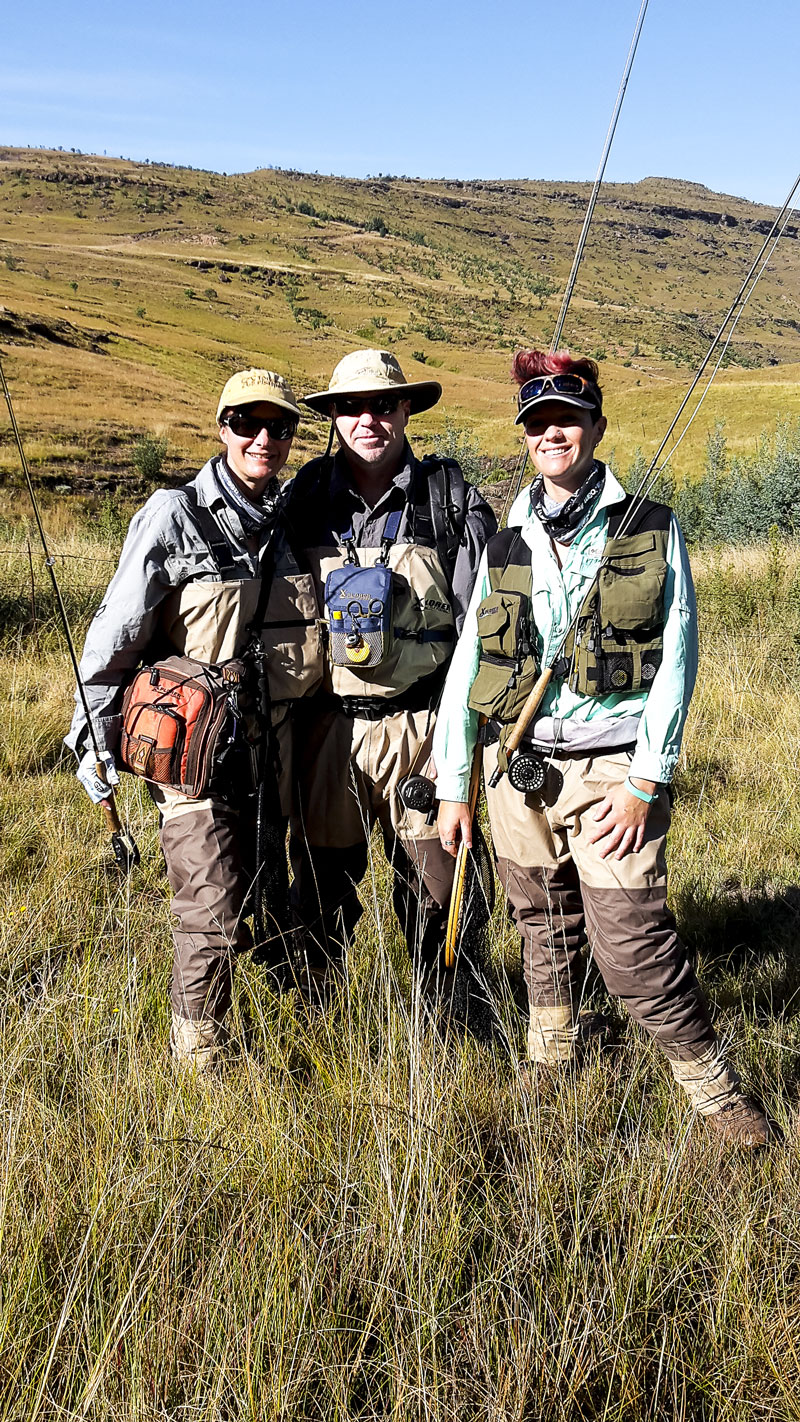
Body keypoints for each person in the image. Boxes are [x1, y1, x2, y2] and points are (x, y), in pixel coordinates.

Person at [434, 348, 772, 1145]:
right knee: (540, 923)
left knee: (630, 948)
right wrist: (456, 783)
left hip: (615, 770)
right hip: (514, 776)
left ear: (595, 427)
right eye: (537, 423)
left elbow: (678, 657)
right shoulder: (505, 539)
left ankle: (721, 1102)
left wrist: (645, 783)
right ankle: (551, 1063)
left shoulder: (652, 525)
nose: (553, 433)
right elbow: (466, 669)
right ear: (524, 438)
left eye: (567, 419)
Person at [66, 369, 321, 1068]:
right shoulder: (171, 514)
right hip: (188, 757)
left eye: (279, 426)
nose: (263, 438)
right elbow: (114, 635)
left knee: (266, 898)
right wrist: (94, 737)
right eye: (247, 423)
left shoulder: (291, 519)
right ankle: (200, 1061)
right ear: (222, 428)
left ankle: (292, 1029)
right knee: (210, 912)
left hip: (270, 750)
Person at [284, 348, 497, 1004]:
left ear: (407, 409)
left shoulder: (449, 497)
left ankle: (449, 1028)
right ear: (333, 416)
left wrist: (468, 745)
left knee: (440, 891)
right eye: (351, 406)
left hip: (425, 729)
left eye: (383, 404)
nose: (367, 418)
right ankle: (319, 1025)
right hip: (328, 733)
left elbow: (482, 631)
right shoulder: (304, 501)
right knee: (320, 892)